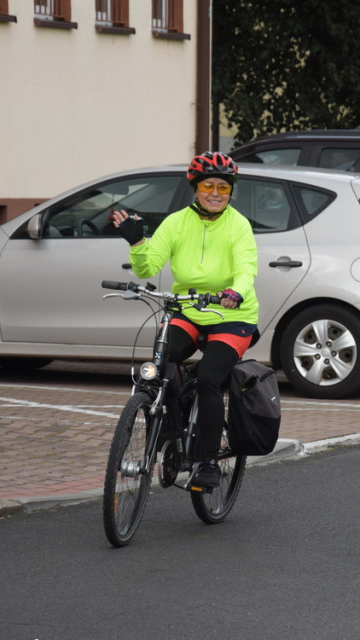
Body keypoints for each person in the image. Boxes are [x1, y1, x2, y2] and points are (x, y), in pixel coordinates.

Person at [112, 152, 260, 490]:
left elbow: (246, 268)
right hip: (188, 310)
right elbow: (147, 268)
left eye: (224, 188)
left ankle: (207, 461)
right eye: (208, 185)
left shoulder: (238, 225)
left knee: (209, 378)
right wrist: (137, 242)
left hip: (232, 315)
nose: (215, 193)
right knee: (161, 366)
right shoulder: (176, 222)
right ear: (195, 187)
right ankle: (167, 444)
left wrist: (235, 292)